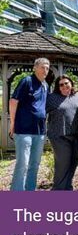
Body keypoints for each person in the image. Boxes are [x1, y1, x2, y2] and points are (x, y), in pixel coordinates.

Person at [9, 57, 50, 191]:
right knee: (22, 164)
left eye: (47, 68)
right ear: (35, 67)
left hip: (39, 131)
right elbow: (13, 101)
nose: (45, 70)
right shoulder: (27, 81)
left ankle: (30, 191)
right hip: (23, 130)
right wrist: (12, 124)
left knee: (35, 164)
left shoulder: (45, 85)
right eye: (42, 67)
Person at [46, 75, 78, 190]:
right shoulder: (51, 98)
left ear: (71, 84)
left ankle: (67, 188)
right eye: (61, 84)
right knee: (63, 164)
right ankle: (58, 191)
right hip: (59, 136)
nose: (64, 86)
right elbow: (40, 112)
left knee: (73, 163)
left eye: (66, 83)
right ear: (58, 87)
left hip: (76, 136)